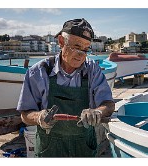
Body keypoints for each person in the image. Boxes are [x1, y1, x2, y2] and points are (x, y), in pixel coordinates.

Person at [17, 18, 115, 157]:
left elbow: (109, 105)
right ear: (61, 42)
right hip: (48, 149)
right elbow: (25, 114)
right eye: (76, 46)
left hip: (84, 147)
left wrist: (97, 112)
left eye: (86, 49)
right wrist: (39, 117)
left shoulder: (93, 70)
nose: (81, 54)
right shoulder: (38, 71)